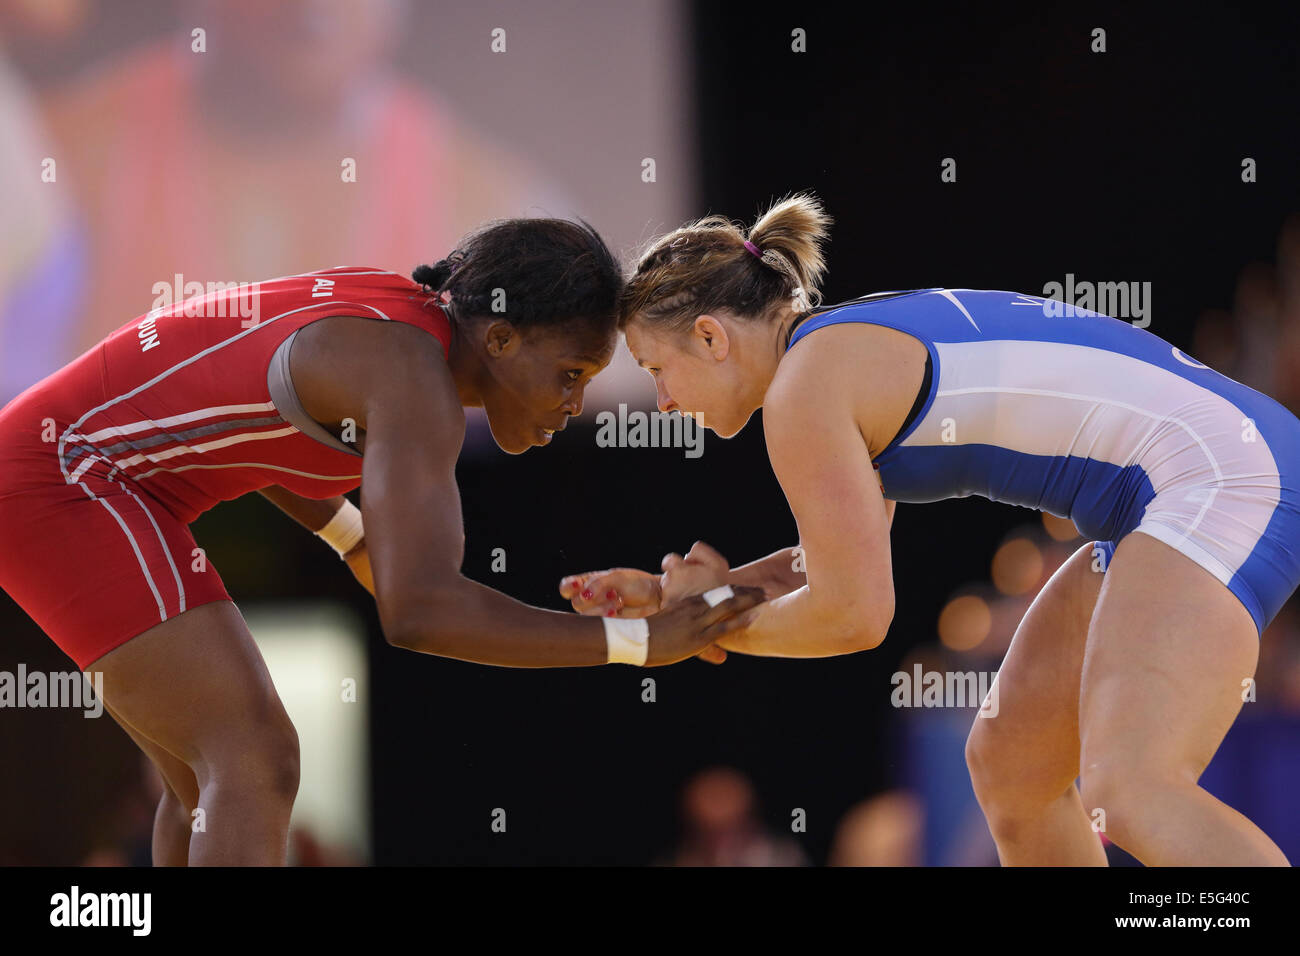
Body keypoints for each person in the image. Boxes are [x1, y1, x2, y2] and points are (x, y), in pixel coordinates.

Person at [562, 193, 1300, 865]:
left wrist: (707, 625)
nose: (659, 401)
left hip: (1222, 477)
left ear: (711, 337)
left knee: (1133, 790)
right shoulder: (830, 356)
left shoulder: (804, 390)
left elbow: (853, 615)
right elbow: (822, 564)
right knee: (1014, 766)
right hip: (1184, 488)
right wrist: (679, 598)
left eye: (658, 368)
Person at [0, 216, 761, 866]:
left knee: (207, 781)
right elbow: (420, 614)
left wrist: (349, 535)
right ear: (499, 337)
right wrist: (638, 642)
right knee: (254, 756)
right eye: (568, 372)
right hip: (66, 477)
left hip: (72, 475)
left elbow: (249, 416)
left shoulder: (393, 324)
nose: (574, 402)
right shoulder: (411, 378)